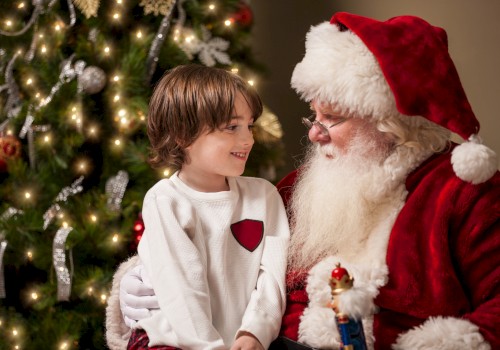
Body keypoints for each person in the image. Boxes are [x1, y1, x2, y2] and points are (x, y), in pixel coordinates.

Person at [107, 12, 500, 350]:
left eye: (334, 118)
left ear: (391, 122)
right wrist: (141, 278)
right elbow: (218, 254)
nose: (315, 133)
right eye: (314, 116)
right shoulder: (301, 187)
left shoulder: (464, 191)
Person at [107, 64, 290, 350]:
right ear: (183, 134)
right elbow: (183, 294)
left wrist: (255, 331)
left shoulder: (264, 196)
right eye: (232, 127)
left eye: (249, 125)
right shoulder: (166, 201)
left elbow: (272, 277)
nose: (248, 139)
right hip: (174, 341)